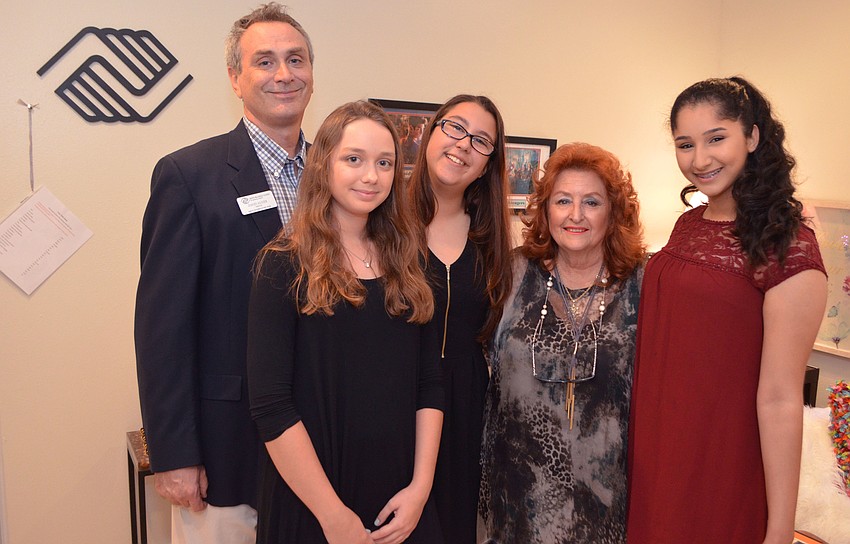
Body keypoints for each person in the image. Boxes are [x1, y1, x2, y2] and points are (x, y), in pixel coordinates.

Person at [134, 3, 313, 542]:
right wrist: (175, 453)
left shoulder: (336, 178)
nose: (283, 74)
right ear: (236, 79)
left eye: (295, 59)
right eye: (264, 61)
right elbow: (161, 330)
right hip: (225, 452)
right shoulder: (189, 176)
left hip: (320, 449)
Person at [626, 77, 828, 544]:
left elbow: (781, 399)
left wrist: (779, 530)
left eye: (717, 138)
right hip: (657, 454)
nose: (700, 160)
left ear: (753, 137)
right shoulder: (686, 224)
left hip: (721, 466)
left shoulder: (788, 244)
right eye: (685, 144)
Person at [246, 100, 445, 544]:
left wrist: (420, 488)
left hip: (402, 500)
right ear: (324, 166)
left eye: (384, 163)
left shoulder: (412, 263)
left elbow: (430, 383)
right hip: (313, 502)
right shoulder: (282, 264)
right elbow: (271, 408)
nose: (371, 176)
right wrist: (332, 516)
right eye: (353, 159)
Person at [478, 142, 645, 543]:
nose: (575, 215)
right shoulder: (511, 272)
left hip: (606, 499)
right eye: (563, 201)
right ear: (545, 210)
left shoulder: (645, 284)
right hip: (516, 495)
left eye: (591, 202)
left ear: (614, 212)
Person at [406, 94, 513, 543]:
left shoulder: (494, 240)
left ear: (489, 163)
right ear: (431, 133)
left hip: (468, 406)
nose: (464, 144)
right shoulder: (384, 220)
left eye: (481, 140)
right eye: (454, 128)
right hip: (396, 398)